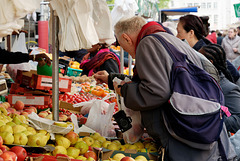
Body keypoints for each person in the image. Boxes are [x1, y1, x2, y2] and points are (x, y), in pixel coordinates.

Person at [94, 16, 237, 161]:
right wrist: (112, 79)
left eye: (124, 47)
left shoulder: (147, 43)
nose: (129, 53)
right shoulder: (167, 38)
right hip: (197, 126)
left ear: (126, 38)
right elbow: (160, 80)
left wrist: (124, 90)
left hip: (181, 132)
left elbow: (156, 92)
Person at [177, 14, 240, 83]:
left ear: (191, 33)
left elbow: (234, 74)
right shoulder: (194, 50)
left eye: (179, 32)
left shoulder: (206, 52)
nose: (176, 37)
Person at [199, 44, 240, 133]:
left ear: (209, 62)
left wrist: (214, 118)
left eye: (198, 59)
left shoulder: (228, 88)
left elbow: (238, 121)